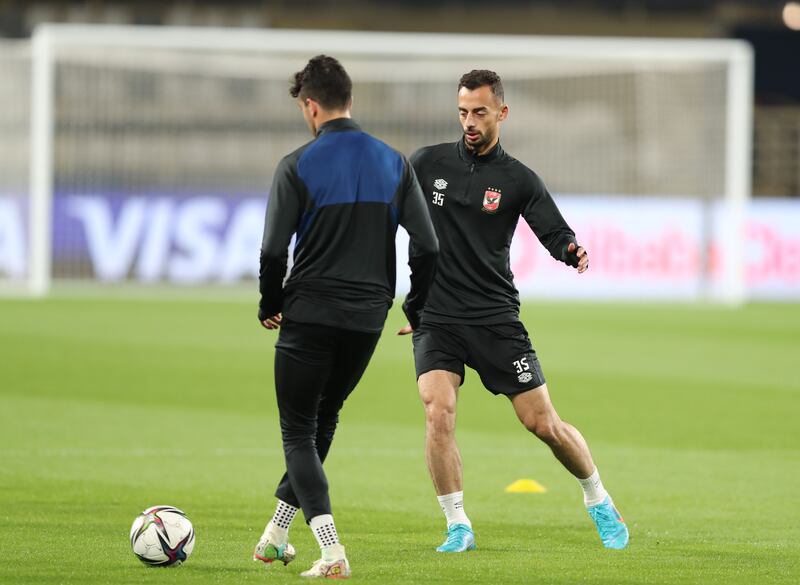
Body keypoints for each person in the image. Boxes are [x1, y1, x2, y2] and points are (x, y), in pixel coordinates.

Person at [401, 69, 628, 553]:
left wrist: (571, 250)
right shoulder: (425, 163)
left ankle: (599, 498)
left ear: (501, 113)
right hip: (438, 318)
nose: (469, 121)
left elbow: (552, 231)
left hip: (495, 318)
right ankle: (457, 524)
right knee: (437, 415)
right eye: (462, 111)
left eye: (479, 112)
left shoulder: (518, 179)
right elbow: (391, 220)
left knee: (543, 424)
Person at [254, 55, 438, 578]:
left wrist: (271, 304)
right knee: (324, 418)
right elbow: (429, 246)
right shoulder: (393, 162)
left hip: (310, 312)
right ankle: (275, 534)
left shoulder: (297, 164)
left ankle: (332, 549)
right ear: (350, 101)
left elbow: (272, 252)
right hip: (366, 319)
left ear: (311, 107)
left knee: (297, 429)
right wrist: (415, 305)